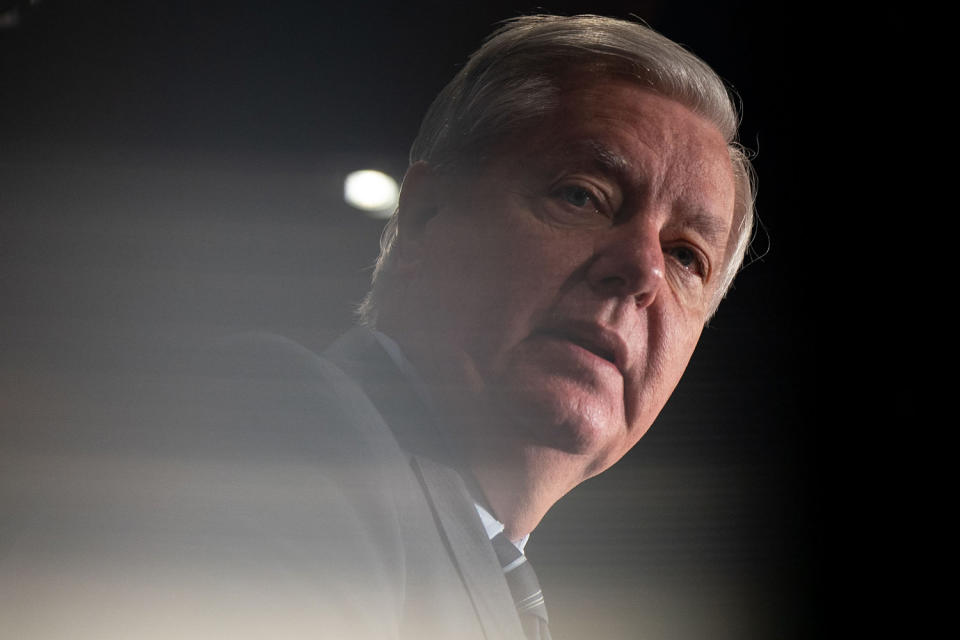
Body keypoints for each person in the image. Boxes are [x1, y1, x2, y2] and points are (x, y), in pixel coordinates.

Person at [0, 13, 754, 640]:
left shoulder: (478, 558)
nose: (643, 271)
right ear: (425, 215)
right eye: (583, 196)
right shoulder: (288, 428)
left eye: (688, 255)